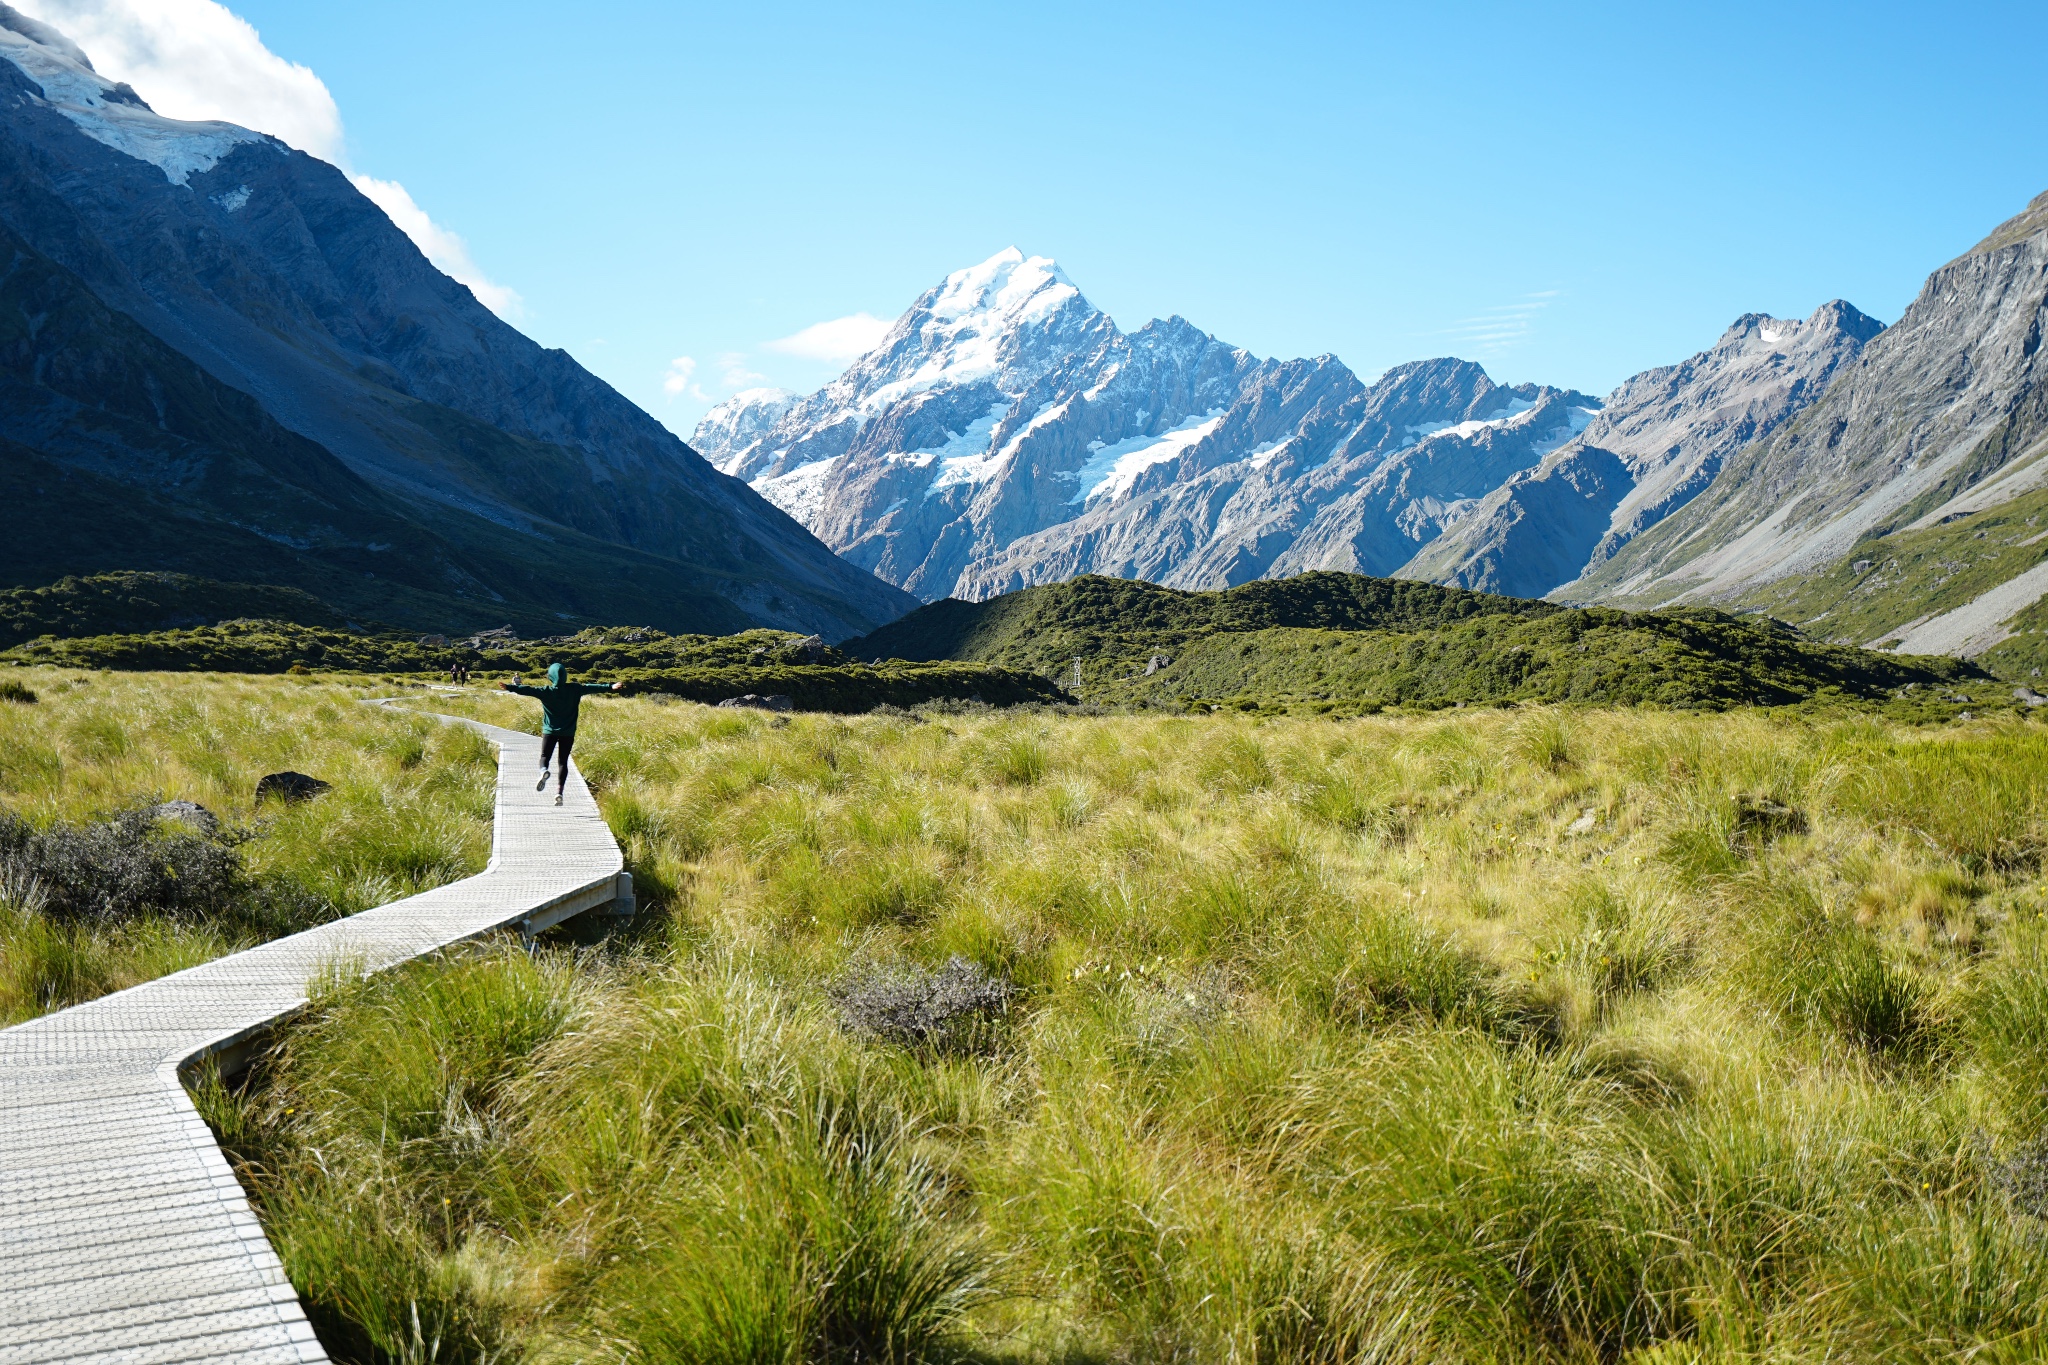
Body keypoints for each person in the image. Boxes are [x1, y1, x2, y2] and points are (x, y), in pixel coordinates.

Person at [500, 663, 624, 805]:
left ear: (551, 676)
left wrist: (510, 687)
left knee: (545, 756)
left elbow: (528, 690)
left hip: (549, 731)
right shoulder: (575, 689)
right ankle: (559, 792)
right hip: (568, 732)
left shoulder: (546, 691)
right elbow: (591, 687)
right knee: (563, 762)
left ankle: (543, 771)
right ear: (565, 676)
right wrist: (610, 687)